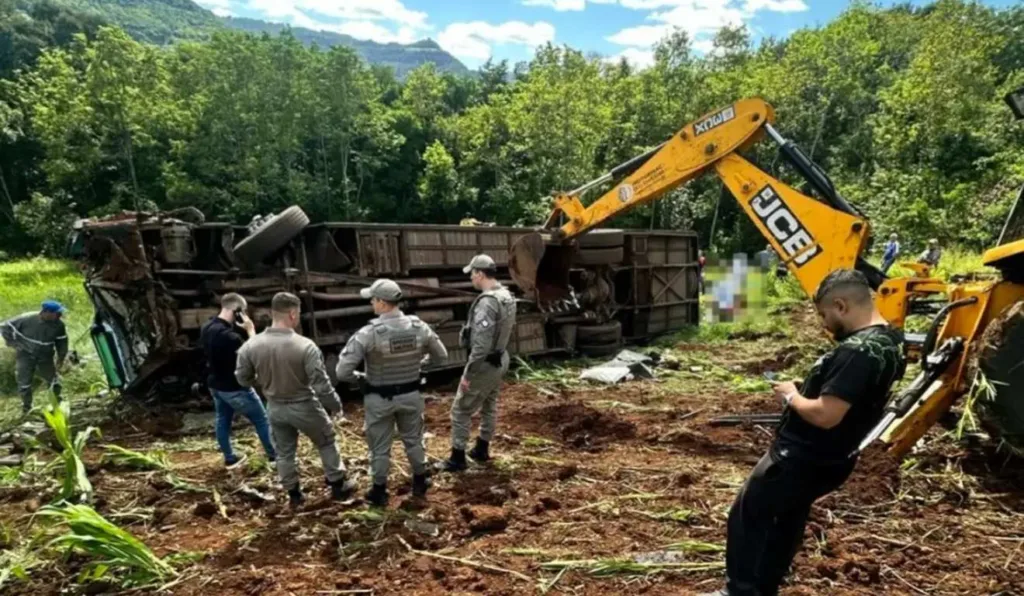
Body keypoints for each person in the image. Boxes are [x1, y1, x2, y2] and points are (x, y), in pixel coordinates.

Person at [705, 270, 905, 596]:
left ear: (841, 305)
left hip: (799, 457)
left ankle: (739, 592)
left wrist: (791, 395)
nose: (825, 324)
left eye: (825, 315)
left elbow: (826, 415)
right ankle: (764, 587)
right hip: (834, 457)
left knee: (747, 517)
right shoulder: (891, 341)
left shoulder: (856, 352)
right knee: (786, 518)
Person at [235, 292, 356, 508]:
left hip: (275, 407)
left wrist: (262, 383)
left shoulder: (250, 347)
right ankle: (338, 485)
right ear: (292, 313)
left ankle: (294, 496)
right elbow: (321, 384)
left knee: (284, 452)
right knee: (326, 441)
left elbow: (242, 378)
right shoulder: (305, 346)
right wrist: (335, 405)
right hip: (304, 405)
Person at [335, 279, 448, 507]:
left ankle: (379, 490)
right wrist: (420, 364)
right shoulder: (419, 327)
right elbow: (442, 357)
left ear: (382, 302)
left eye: (373, 300)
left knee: (379, 447)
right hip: (411, 395)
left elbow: (342, 371)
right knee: (414, 440)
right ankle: (420, 480)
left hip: (379, 398)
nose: (371, 304)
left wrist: (361, 379)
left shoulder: (369, 333)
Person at [439, 255, 517, 472]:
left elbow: (480, 347)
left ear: (480, 274)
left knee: (461, 410)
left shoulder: (487, 303)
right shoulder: (506, 296)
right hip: (500, 358)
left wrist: (467, 376)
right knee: (489, 404)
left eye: (472, 273)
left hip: (484, 363)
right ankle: (482, 448)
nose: (471, 278)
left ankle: (457, 457)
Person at [199, 293, 277, 469]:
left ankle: (229, 458)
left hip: (215, 385)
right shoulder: (229, 337)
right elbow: (254, 353)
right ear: (238, 311)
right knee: (261, 419)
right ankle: (274, 457)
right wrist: (250, 329)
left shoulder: (207, 327)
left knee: (222, 419)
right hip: (235, 387)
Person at [2, 301, 68, 415]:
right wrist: (13, 342)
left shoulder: (59, 325)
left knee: (53, 380)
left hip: (46, 356)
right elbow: (5, 327)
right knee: (24, 382)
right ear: (46, 312)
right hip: (25, 355)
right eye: (57, 313)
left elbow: (62, 342)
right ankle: (27, 408)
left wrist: (61, 358)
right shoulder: (27, 319)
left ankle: (57, 403)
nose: (59, 316)